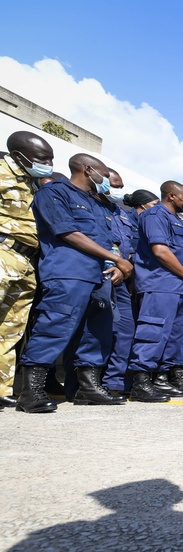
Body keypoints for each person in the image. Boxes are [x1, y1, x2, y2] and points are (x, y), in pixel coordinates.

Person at [17, 154, 132, 412]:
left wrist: (113, 263)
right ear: (89, 170)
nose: (105, 180)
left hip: (98, 275)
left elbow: (107, 240)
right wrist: (114, 258)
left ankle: (86, 388)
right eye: (103, 173)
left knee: (96, 331)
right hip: (69, 271)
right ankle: (31, 391)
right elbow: (68, 233)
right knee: (55, 325)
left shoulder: (96, 203)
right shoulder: (55, 193)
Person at [127, 181, 183, 403]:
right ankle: (141, 381)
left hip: (179, 287)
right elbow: (160, 251)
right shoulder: (154, 215)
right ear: (170, 196)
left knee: (174, 335)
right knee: (154, 332)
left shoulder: (178, 221)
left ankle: (160, 378)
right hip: (160, 283)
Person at [1, 131, 54, 409]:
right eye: (42, 159)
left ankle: (1, 388)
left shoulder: (34, 183)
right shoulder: (1, 172)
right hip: (3, 251)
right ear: (19, 155)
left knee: (11, 328)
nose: (48, 163)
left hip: (25, 261)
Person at [103, 189, 157, 396]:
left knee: (127, 333)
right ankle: (93, 382)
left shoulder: (144, 223)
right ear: (141, 205)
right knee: (106, 331)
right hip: (111, 274)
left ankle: (118, 383)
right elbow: (115, 246)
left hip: (131, 281)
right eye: (153, 205)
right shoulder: (121, 216)